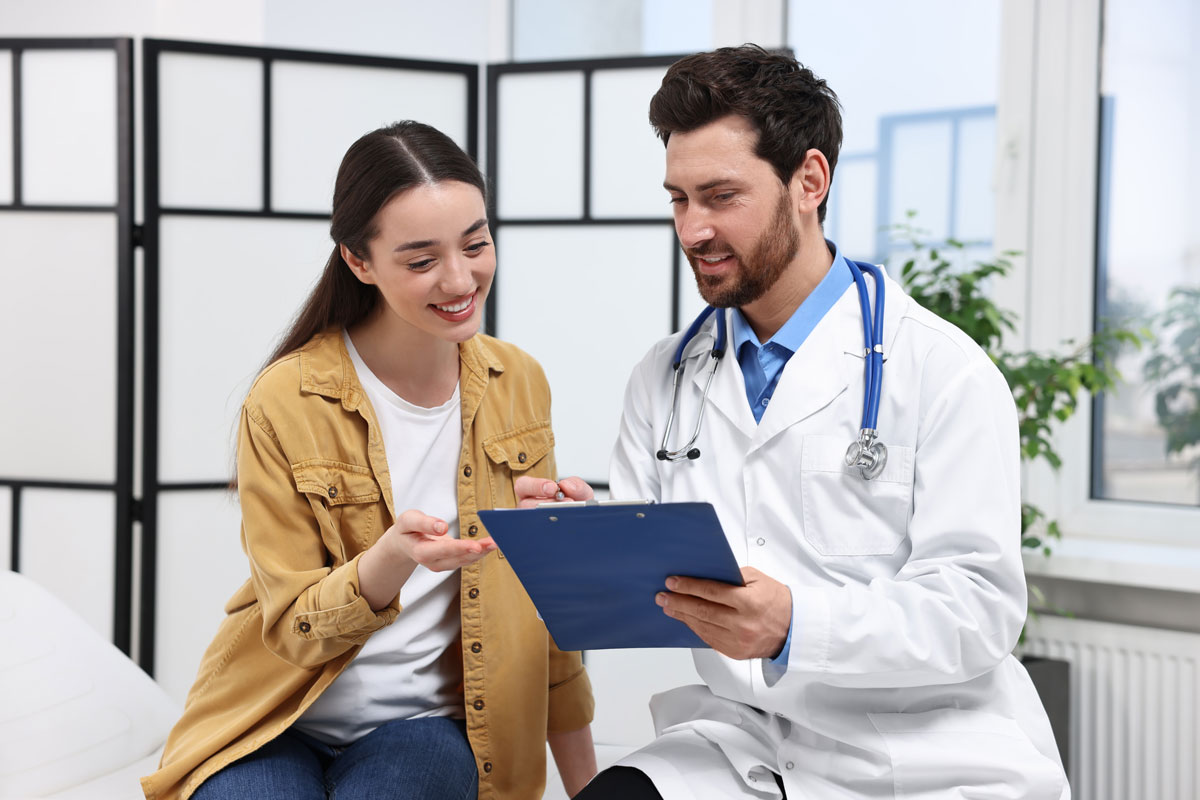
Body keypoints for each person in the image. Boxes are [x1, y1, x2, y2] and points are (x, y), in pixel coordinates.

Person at [519, 45, 1069, 799]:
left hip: (922, 753)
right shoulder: (665, 378)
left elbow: (977, 611)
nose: (692, 229)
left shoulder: (943, 371)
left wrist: (795, 626)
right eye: (679, 199)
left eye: (720, 196)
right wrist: (592, 538)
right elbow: (666, 570)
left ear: (809, 181)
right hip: (742, 740)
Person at [141, 121, 596, 800]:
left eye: (476, 243)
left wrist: (587, 787)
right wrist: (391, 560)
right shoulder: (286, 399)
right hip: (273, 716)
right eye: (421, 260)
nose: (460, 278)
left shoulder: (517, 382)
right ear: (359, 261)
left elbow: (546, 619)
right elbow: (295, 628)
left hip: (422, 728)